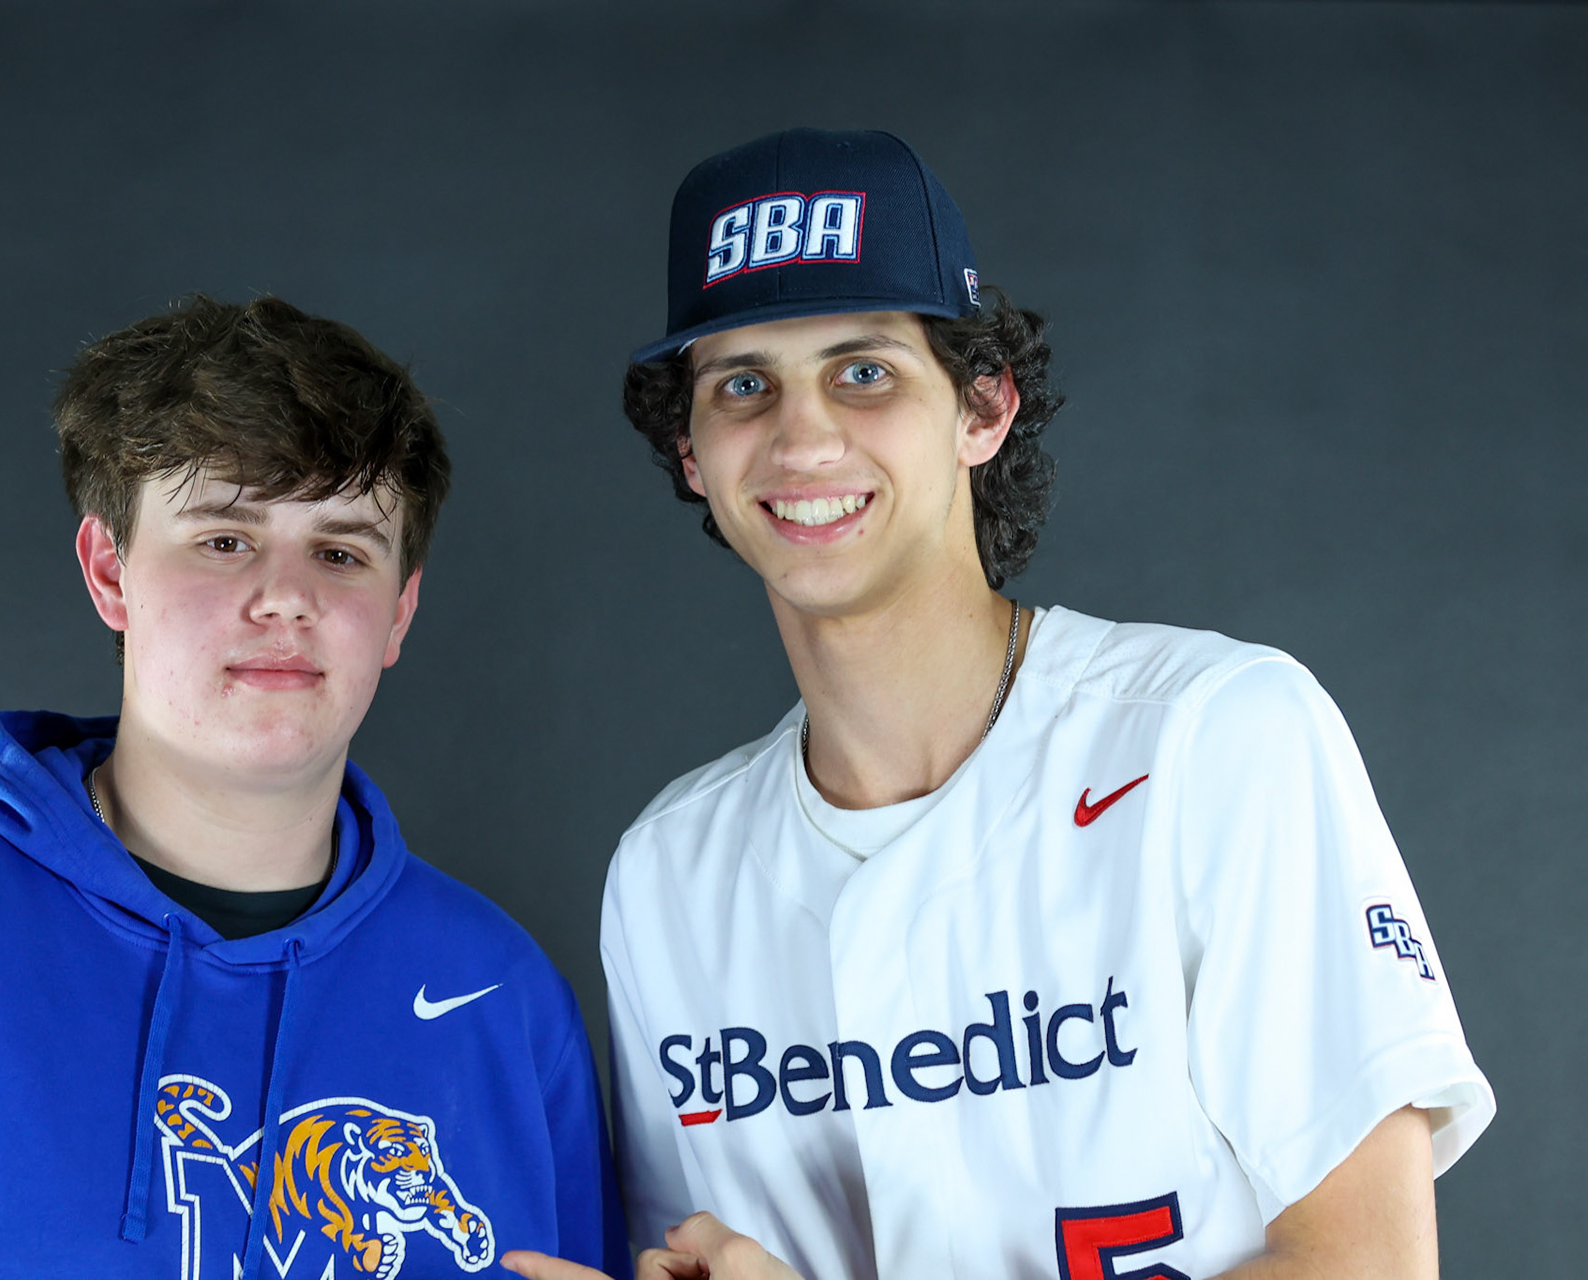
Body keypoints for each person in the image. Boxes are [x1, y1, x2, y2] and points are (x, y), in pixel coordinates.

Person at [502, 129, 1492, 1280]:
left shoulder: (1215, 735)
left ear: (984, 408)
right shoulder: (672, 871)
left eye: (863, 370)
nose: (802, 434)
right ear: (690, 451)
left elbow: (1367, 1264)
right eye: (743, 383)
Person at [0, 295, 628, 1280]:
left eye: (341, 551)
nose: (288, 595)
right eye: (225, 538)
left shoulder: (503, 995)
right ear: (109, 570)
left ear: (398, 613)